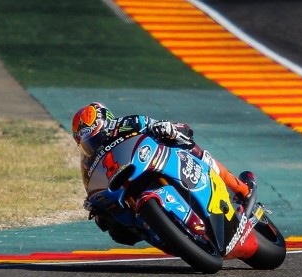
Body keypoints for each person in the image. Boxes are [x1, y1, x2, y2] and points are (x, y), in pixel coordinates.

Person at [70, 102, 255, 245]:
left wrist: (164, 127)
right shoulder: (88, 161)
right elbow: (90, 185)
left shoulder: (126, 123)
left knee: (185, 142)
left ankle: (241, 188)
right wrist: (93, 202)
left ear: (106, 123)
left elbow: (150, 123)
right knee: (107, 223)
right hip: (126, 185)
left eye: (96, 136)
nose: (94, 144)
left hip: (153, 158)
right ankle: (160, 233)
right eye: (88, 142)